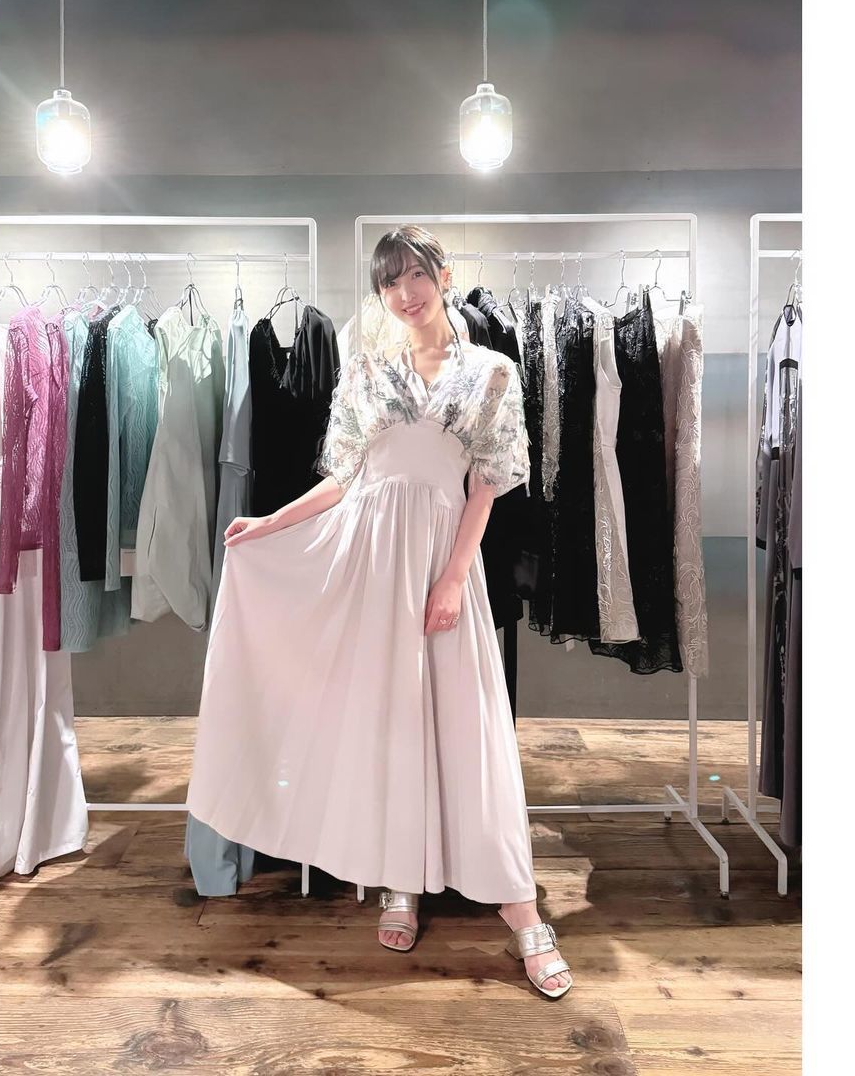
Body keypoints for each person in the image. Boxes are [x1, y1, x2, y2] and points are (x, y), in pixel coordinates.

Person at [185, 225, 572, 998]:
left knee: (471, 729)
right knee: (389, 723)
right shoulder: (367, 370)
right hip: (369, 560)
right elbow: (345, 480)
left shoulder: (491, 372)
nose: (404, 293)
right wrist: (270, 522)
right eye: (389, 282)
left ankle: (521, 908)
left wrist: (454, 577)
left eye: (415, 275)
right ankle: (402, 877)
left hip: (440, 563)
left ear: (443, 275)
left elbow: (486, 487)